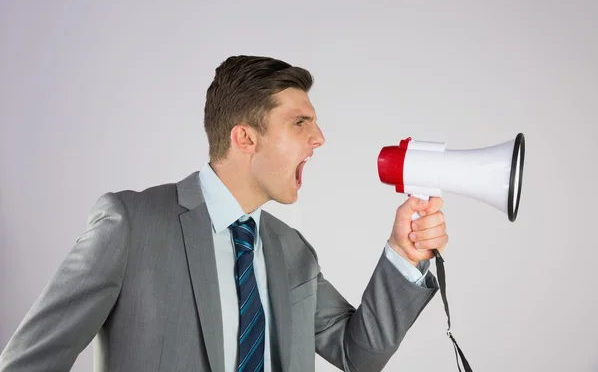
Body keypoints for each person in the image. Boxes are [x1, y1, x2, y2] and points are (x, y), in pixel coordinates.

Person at [0, 55, 447, 372]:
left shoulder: (293, 251)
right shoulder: (131, 224)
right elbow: (30, 361)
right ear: (244, 138)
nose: (319, 139)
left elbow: (357, 355)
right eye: (300, 123)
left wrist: (403, 256)